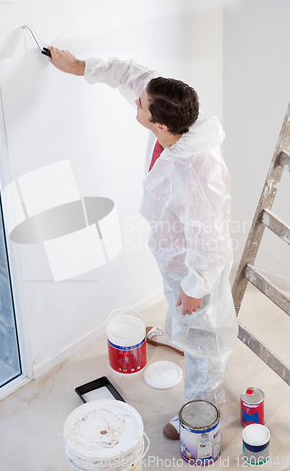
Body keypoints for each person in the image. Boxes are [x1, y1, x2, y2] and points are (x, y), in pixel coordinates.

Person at [48, 48, 238, 439]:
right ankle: (178, 329)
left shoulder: (196, 175)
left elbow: (213, 242)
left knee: (205, 340)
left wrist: (194, 287)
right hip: (174, 251)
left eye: (141, 106)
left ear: (161, 127)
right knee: (181, 314)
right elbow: (135, 75)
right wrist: (79, 66)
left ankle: (203, 409)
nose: (136, 102)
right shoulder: (173, 109)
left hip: (194, 264)